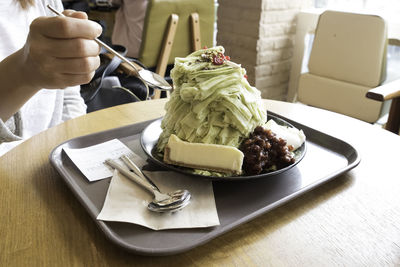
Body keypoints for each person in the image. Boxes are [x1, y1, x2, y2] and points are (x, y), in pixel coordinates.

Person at [0, 0, 102, 156]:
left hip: (50, 157)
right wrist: (23, 71)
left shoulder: (45, 2)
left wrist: (70, 147)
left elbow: (69, 97)